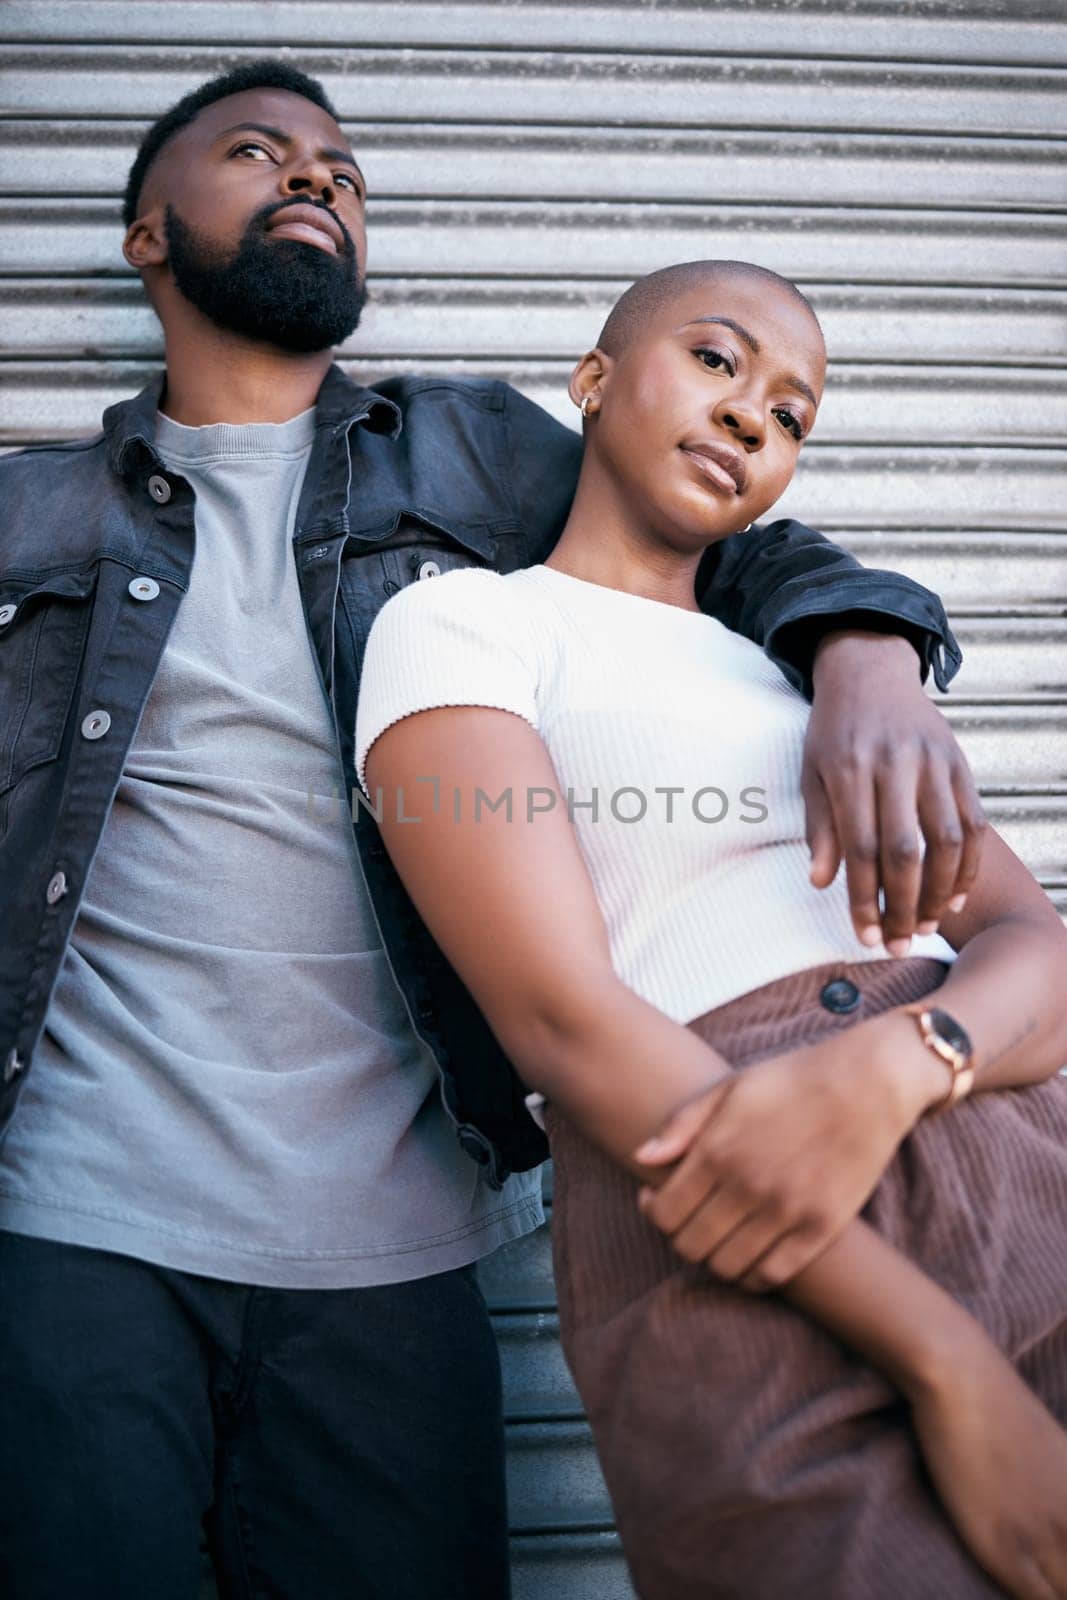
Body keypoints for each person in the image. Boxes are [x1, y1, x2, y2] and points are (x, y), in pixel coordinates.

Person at [0, 56, 983, 1600]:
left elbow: (721, 536)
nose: (317, 179)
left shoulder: (470, 453)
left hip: (398, 1244)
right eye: (260, 151)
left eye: (343, 169)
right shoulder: (31, 519)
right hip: (77, 1221)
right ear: (144, 236)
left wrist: (869, 653)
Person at [355, 259, 1067, 1600]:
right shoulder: (466, 624)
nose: (754, 420)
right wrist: (948, 1363)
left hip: (1013, 1154)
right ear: (593, 382)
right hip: (719, 1208)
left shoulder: (818, 668)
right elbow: (561, 1019)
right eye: (721, 363)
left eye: (795, 415)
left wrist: (903, 1062)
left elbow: (1038, 949)